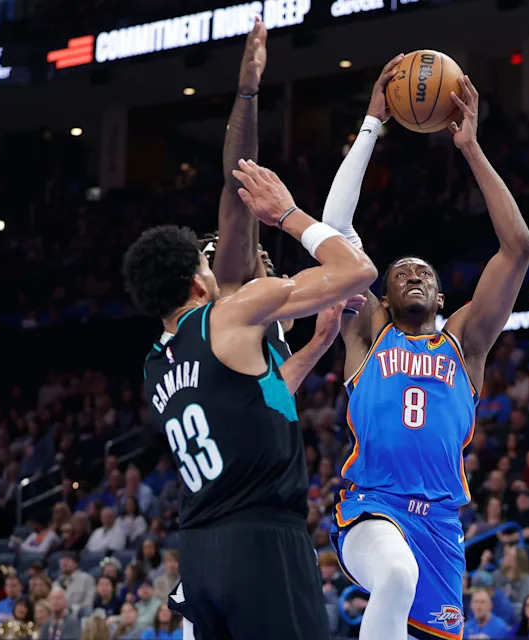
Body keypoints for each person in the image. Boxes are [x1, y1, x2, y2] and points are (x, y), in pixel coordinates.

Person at [125, 120, 375, 640]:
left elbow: (259, 401)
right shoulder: (229, 316)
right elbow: (358, 270)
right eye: (207, 263)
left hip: (199, 549)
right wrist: (287, 214)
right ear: (199, 281)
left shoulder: (156, 363)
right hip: (260, 538)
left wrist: (314, 345)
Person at [324, 60, 529, 640]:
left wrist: (470, 149)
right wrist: (372, 120)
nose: (412, 275)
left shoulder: (465, 342)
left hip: (441, 521)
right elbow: (336, 226)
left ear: (442, 294)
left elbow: (517, 248)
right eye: (399, 273)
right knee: (394, 574)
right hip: (372, 506)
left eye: (424, 272)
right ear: (382, 296)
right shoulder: (367, 332)